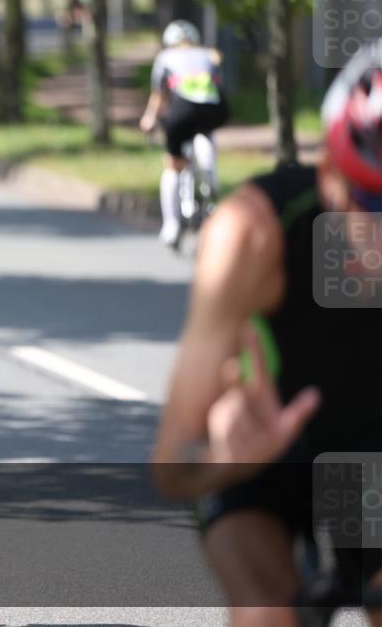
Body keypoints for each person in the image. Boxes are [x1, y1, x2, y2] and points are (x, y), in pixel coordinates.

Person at [152, 42, 382, 627]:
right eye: (368, 204)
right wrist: (223, 460)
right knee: (266, 611)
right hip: (263, 456)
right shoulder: (252, 234)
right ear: (329, 176)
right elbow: (171, 463)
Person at [139, 20, 229, 248]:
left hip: (182, 112)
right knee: (206, 136)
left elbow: (159, 96)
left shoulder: (165, 57)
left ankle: (171, 225)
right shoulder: (209, 55)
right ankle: (210, 179)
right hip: (213, 110)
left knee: (172, 165)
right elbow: (219, 83)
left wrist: (149, 119)